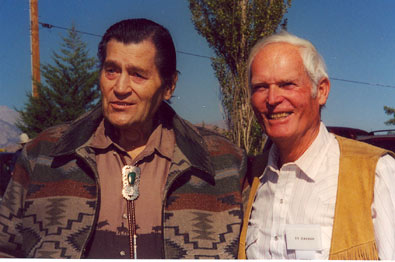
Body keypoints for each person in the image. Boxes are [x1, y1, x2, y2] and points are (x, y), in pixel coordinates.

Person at [0, 18, 246, 259]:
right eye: (111, 71)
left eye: (137, 74)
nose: (120, 87)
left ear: (169, 86)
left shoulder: (224, 164)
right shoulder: (44, 155)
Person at [238, 31, 395, 260]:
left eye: (287, 84)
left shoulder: (375, 173)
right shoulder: (250, 176)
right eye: (260, 87)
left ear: (321, 91)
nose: (272, 99)